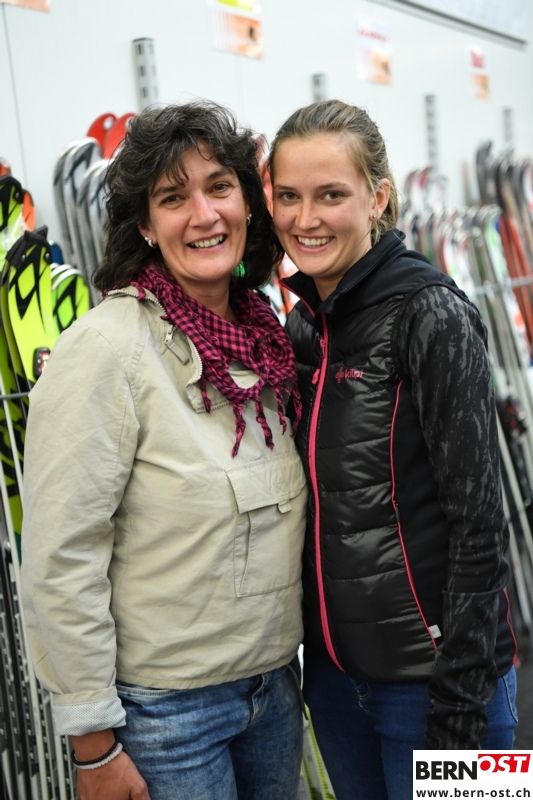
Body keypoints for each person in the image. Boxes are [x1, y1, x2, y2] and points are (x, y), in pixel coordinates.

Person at [20, 100, 308, 800]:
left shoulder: (268, 339)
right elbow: (61, 556)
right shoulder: (107, 348)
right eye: (173, 198)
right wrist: (93, 747)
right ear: (145, 225)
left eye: (219, 187)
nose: (204, 215)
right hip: (166, 719)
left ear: (248, 202)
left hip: (274, 690)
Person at [268, 98, 517, 800]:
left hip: (439, 687)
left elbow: (480, 521)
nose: (305, 218)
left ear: (377, 197)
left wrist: (462, 701)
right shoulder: (306, 326)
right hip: (337, 682)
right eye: (288, 196)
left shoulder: (433, 311)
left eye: (330, 195)